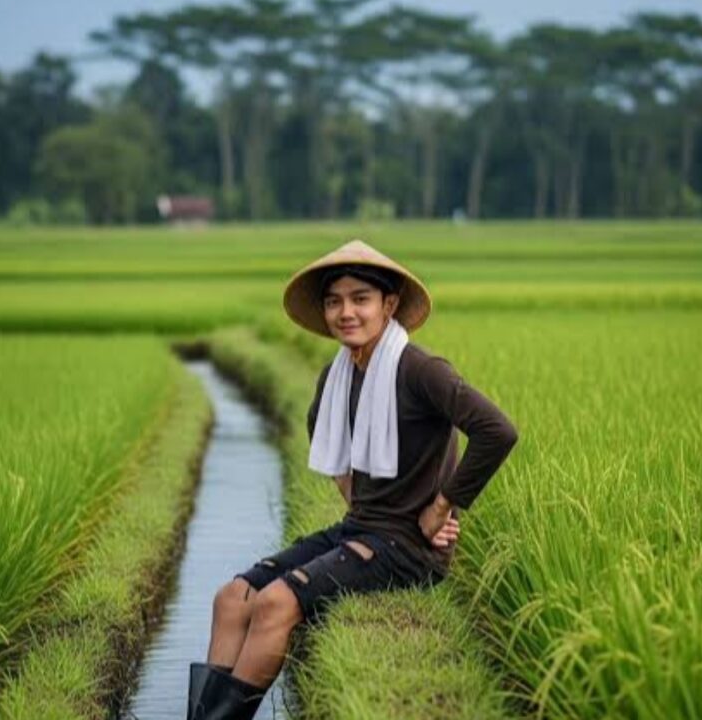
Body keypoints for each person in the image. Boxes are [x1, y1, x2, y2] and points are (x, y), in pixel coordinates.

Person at [187, 239, 519, 720]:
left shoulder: (420, 370)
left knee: (275, 603)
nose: (346, 312)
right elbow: (319, 427)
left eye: (360, 299)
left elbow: (497, 430)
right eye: (333, 301)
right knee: (233, 598)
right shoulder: (339, 375)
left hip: (408, 548)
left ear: (389, 305)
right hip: (360, 531)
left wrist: (441, 507)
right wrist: (355, 494)